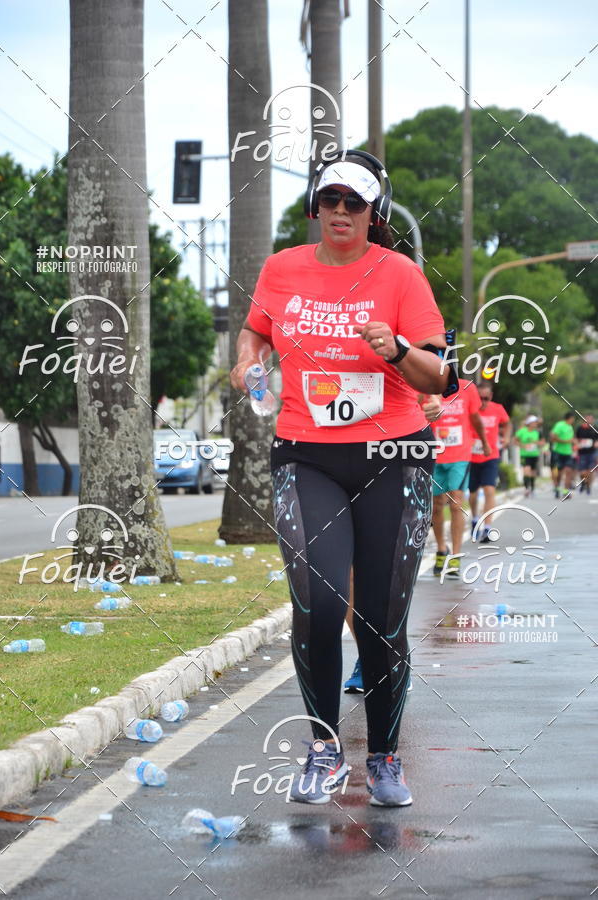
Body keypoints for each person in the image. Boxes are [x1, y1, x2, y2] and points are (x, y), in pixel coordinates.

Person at [231, 150, 454, 808]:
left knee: (381, 619)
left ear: (374, 213)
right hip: (307, 455)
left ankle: (384, 757)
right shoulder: (282, 268)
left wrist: (398, 351)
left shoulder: (402, 276)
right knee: (319, 604)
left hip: (394, 458)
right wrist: (248, 366)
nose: (340, 211)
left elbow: (440, 375)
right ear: (315, 205)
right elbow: (254, 334)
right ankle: (324, 750)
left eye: (354, 202)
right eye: (330, 199)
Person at [344, 394, 443, 694]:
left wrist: (433, 400)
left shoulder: (398, 358)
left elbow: (430, 382)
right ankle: (368, 657)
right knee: (344, 573)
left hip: (398, 451)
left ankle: (391, 657)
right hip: (336, 452)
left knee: (387, 570)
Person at [429, 380, 491, 577]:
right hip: (434, 454)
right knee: (437, 505)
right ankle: (441, 549)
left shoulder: (467, 387)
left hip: (460, 456)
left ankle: (455, 556)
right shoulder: (425, 384)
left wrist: (484, 442)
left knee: (456, 503)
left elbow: (475, 418)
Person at [468, 384, 511, 540]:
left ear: (491, 396)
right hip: (471, 457)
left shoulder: (497, 409)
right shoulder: (470, 409)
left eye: (486, 398)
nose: (483, 402)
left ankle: (487, 527)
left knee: (489, 491)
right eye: (480, 398)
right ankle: (475, 518)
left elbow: (507, 423)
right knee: (473, 493)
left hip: (491, 456)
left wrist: (506, 438)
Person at [514, 415, 544, 497]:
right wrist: (523, 446)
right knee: (526, 470)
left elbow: (542, 442)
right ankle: (527, 488)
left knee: (533, 472)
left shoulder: (538, 432)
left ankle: (533, 489)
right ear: (529, 423)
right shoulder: (522, 431)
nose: (535, 424)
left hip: (534, 454)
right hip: (525, 455)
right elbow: (515, 441)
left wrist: (537, 443)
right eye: (534, 422)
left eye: (536, 422)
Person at [550, 411, 575, 499]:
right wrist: (564, 441)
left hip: (568, 453)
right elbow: (553, 436)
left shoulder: (570, 427)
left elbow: (570, 439)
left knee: (568, 471)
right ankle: (557, 488)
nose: (573, 420)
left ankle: (565, 491)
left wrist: (573, 442)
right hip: (558, 452)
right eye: (573, 419)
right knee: (559, 473)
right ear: (569, 418)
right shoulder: (560, 425)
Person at [575, 414, 597, 494]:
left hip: (592, 452)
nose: (589, 421)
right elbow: (576, 438)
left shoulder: (595, 429)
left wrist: (596, 443)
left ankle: (588, 486)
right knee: (582, 472)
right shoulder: (580, 428)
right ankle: (583, 482)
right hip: (582, 452)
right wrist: (577, 444)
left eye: (591, 419)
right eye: (587, 419)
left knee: (590, 471)